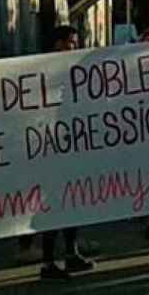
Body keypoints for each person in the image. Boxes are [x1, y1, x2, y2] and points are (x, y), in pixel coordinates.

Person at [40, 26, 95, 280]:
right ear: (58, 43)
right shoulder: (43, 69)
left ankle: (71, 253)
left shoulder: (74, 69)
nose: (74, 47)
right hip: (51, 148)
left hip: (72, 144)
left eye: (75, 42)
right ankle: (48, 262)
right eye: (71, 43)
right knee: (54, 206)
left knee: (74, 201)